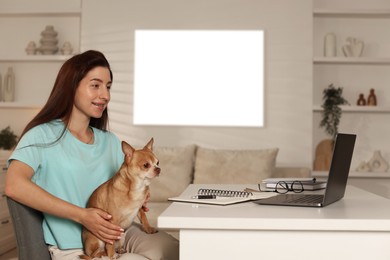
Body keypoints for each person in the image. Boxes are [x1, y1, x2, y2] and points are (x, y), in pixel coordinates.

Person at [5, 50, 179, 260]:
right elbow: (14, 185)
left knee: (173, 248)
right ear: (71, 86)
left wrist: (138, 195)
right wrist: (82, 216)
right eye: (95, 85)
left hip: (118, 232)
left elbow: (127, 184)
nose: (105, 95)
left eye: (108, 87)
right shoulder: (41, 135)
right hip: (71, 245)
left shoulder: (110, 141)